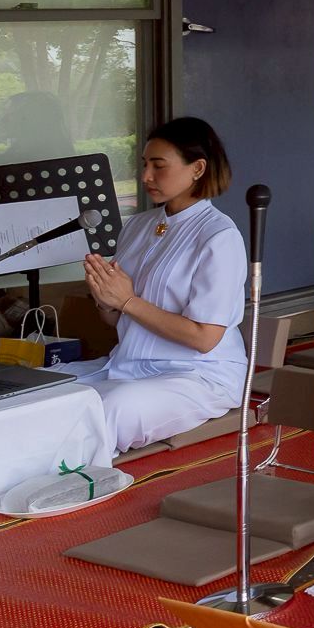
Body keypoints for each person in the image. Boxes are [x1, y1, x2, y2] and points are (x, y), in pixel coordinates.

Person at [66, 118, 247, 456]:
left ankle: (66, 488)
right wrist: (106, 300)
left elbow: (204, 338)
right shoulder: (137, 226)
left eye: (158, 166)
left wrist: (128, 300)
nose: (146, 176)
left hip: (196, 377)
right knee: (44, 395)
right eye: (144, 165)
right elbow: (115, 320)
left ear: (198, 169)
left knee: (112, 408)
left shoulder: (219, 236)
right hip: (126, 364)